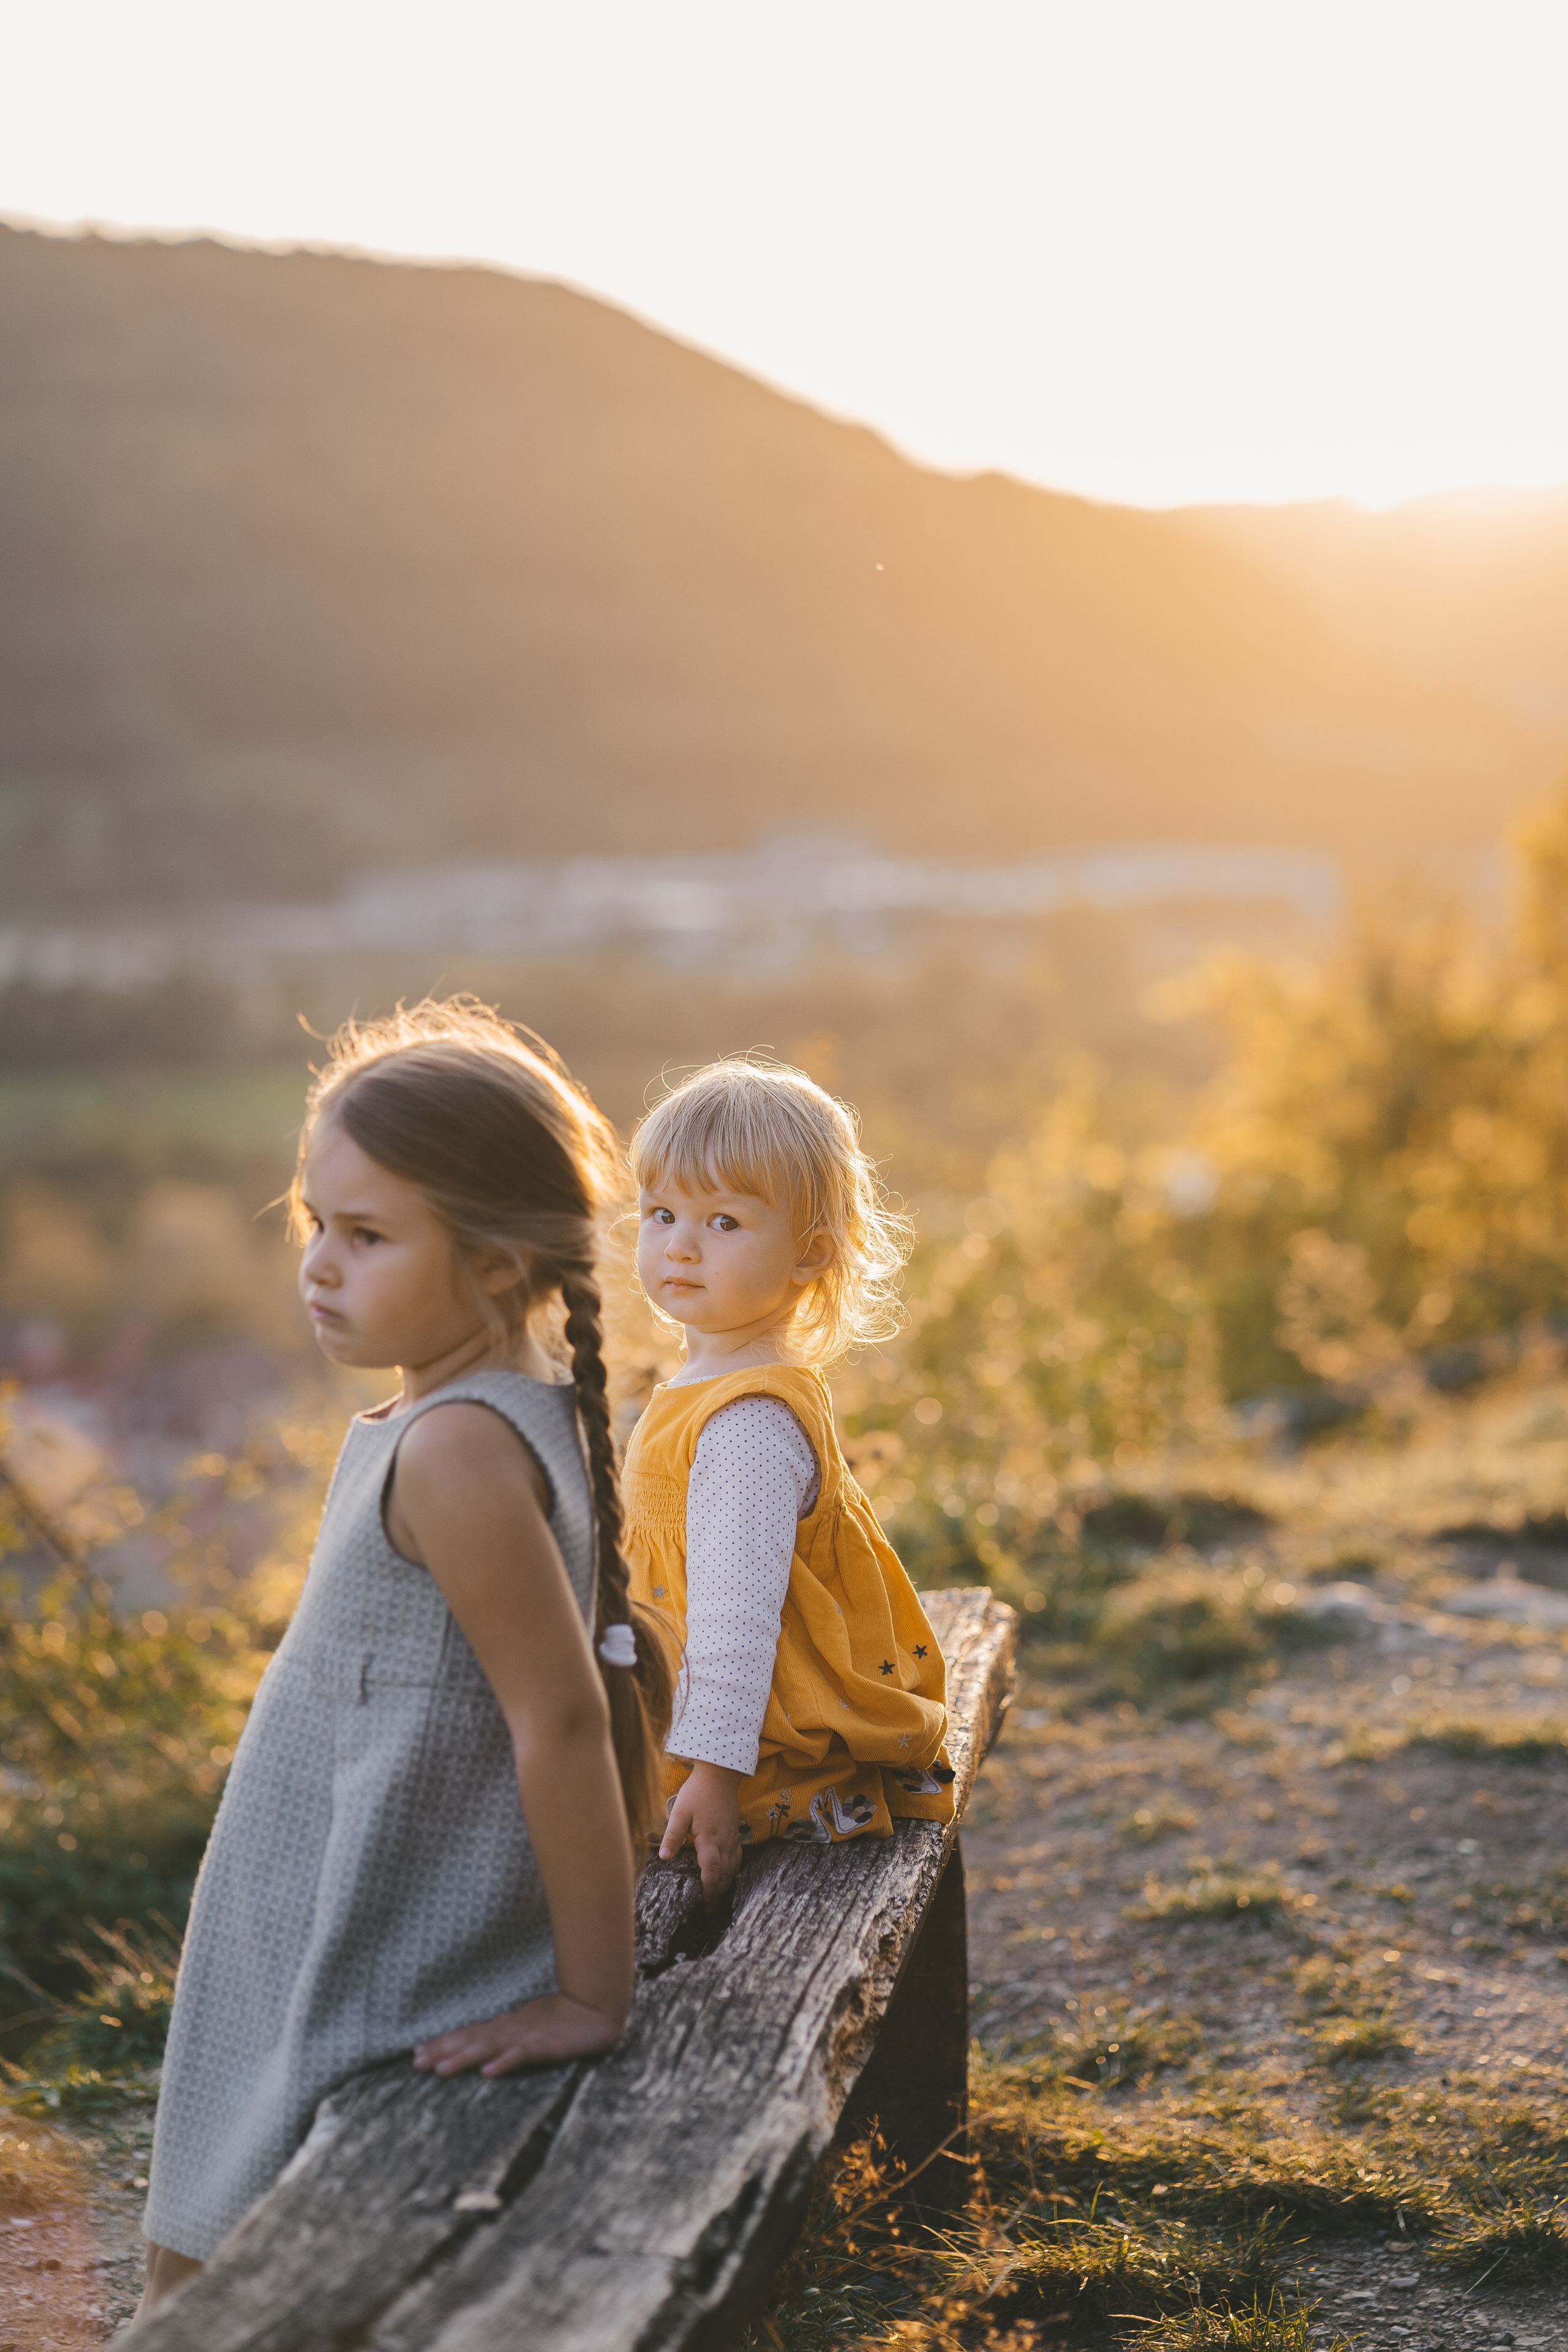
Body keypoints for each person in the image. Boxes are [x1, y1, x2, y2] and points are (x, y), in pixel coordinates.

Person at [135, 1000, 673, 2316]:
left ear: (496, 1265)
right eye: (316, 1223)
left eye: (368, 1237)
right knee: (190, 2248)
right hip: (315, 1896)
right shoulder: (457, 1415)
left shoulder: (456, 1450)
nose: (320, 1265)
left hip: (379, 1933)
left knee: (217, 2276)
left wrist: (593, 1995)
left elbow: (557, 1720)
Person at [624, 1058, 953, 1903]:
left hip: (749, 1755)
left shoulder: (747, 1425)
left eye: (724, 1221)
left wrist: (713, 1777)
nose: (681, 1245)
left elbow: (737, 1620)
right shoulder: (704, 1387)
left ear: (810, 1254)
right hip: (706, 1726)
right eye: (661, 1214)